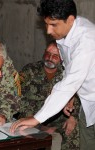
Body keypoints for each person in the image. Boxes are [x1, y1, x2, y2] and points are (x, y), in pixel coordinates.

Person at [10, 0, 95, 149]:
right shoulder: (66, 34)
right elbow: (69, 69)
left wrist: (36, 119)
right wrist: (71, 96)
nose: (48, 31)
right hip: (88, 105)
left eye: (53, 24)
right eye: (46, 24)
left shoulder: (87, 41)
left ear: (70, 20)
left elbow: (70, 82)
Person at [19, 41, 80, 150]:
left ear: (62, 58)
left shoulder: (66, 74)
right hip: (31, 117)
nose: (50, 58)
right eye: (47, 53)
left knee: (73, 131)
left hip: (57, 120)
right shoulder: (29, 70)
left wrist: (72, 117)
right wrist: (40, 125)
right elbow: (16, 96)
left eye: (55, 56)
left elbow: (76, 96)